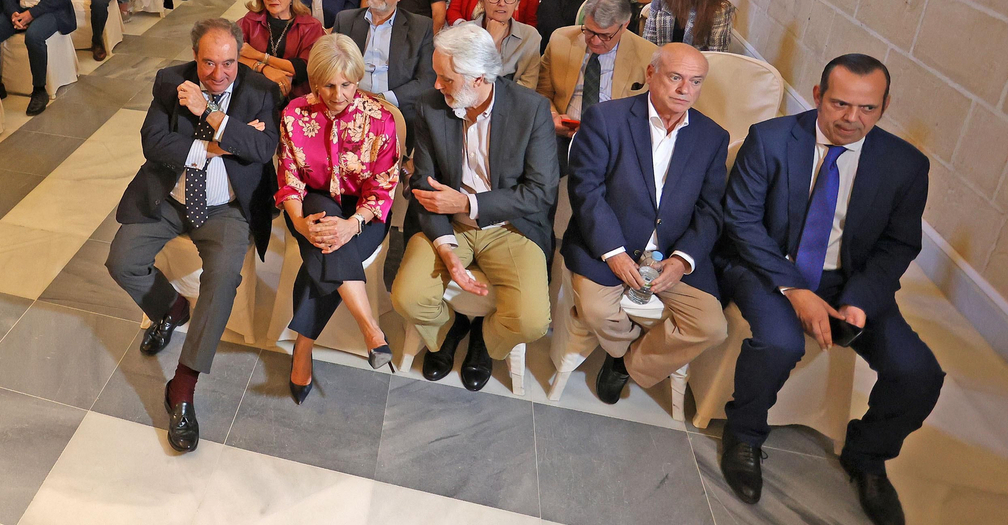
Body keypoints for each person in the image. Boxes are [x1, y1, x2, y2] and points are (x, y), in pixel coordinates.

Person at [716, 55, 941, 525]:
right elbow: (741, 222)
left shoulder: (905, 165)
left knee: (918, 372)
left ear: (884, 107)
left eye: (867, 108)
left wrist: (860, 299)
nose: (851, 118)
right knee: (779, 343)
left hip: (850, 279)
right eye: (840, 103)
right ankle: (744, 434)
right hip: (768, 267)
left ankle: (867, 456)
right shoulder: (771, 140)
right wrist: (795, 290)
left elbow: (897, 245)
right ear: (818, 95)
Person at [105, 18, 281, 453]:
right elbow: (153, 143)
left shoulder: (261, 92)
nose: (218, 73)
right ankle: (171, 308)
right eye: (208, 62)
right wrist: (217, 145)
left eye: (228, 63)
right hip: (171, 199)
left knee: (221, 280)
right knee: (121, 260)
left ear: (239, 58)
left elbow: (262, 149)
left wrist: (210, 113)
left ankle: (182, 388)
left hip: (226, 209)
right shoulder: (171, 81)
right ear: (194, 56)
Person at [558, 43, 729, 405]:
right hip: (608, 242)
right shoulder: (605, 118)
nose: (686, 90)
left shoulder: (713, 137)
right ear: (651, 75)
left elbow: (711, 209)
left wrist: (683, 260)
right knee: (596, 310)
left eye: (696, 82)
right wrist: (614, 253)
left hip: (672, 250)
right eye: (676, 78)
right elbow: (587, 191)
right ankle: (623, 348)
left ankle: (629, 365)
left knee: (711, 327)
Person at [391, 22, 556, 390]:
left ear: (479, 78)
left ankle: (485, 337)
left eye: (445, 78)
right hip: (447, 223)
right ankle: (449, 330)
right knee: (408, 298)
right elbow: (424, 185)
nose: (436, 85)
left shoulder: (531, 110)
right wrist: (448, 252)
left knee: (530, 320)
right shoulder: (432, 107)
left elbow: (541, 192)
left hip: (511, 226)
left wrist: (469, 201)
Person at [278, 34, 400, 400]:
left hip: (365, 214)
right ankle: (371, 330)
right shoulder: (295, 114)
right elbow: (289, 178)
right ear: (315, 82)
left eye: (347, 84)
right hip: (311, 206)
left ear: (357, 79)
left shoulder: (380, 118)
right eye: (328, 85)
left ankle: (302, 347)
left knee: (327, 248)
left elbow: (383, 186)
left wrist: (353, 223)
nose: (338, 94)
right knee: (324, 223)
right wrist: (299, 222)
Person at [538, 0, 658, 177]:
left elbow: (653, 107)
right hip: (564, 132)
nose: (594, 41)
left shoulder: (647, 54)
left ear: (624, 25)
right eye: (589, 31)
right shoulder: (561, 39)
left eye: (605, 35)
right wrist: (552, 116)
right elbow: (542, 91)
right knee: (541, 173)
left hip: (617, 138)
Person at [333, 0, 435, 146]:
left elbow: (426, 79)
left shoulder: (420, 27)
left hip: (396, 107)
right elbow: (330, 68)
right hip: (349, 103)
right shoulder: (346, 20)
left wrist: (382, 99)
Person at [237, 0, 324, 100]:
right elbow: (230, 56)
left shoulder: (311, 26)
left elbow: (302, 69)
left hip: (297, 97)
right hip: (253, 93)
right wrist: (264, 69)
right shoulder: (250, 21)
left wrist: (259, 56)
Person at [466, 0, 541, 88]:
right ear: (481, 1)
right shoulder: (462, 34)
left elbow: (528, 87)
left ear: (517, 4)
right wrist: (491, 41)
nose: (502, 3)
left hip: (515, 103)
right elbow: (465, 83)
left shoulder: (530, 36)